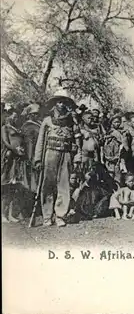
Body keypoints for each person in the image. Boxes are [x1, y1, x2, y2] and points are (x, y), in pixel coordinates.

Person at [34, 94, 81, 227]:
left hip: (66, 155)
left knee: (64, 185)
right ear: (54, 104)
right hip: (50, 154)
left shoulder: (72, 122)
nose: (61, 105)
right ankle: (47, 216)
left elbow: (77, 142)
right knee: (47, 185)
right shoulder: (47, 120)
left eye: (64, 103)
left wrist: (77, 156)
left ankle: (60, 215)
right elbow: (40, 141)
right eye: (59, 102)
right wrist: (38, 159)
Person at [1, 109, 29, 223]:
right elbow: (6, 142)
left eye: (16, 117)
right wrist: (15, 150)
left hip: (17, 159)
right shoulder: (5, 128)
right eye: (13, 116)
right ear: (8, 116)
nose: (15, 118)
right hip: (9, 158)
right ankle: (3, 214)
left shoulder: (17, 128)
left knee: (14, 188)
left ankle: (11, 214)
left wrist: (21, 149)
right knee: (5, 187)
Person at [21, 103, 42, 193]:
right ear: (30, 115)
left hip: (39, 152)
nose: (37, 115)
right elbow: (29, 143)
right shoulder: (28, 126)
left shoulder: (38, 123)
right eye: (35, 114)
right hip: (32, 155)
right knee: (33, 179)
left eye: (37, 114)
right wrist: (31, 158)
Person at [103, 113, 126, 186]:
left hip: (117, 157)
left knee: (118, 176)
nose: (117, 124)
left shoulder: (119, 132)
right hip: (110, 157)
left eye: (118, 122)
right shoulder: (111, 132)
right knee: (110, 175)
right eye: (115, 122)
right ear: (111, 123)